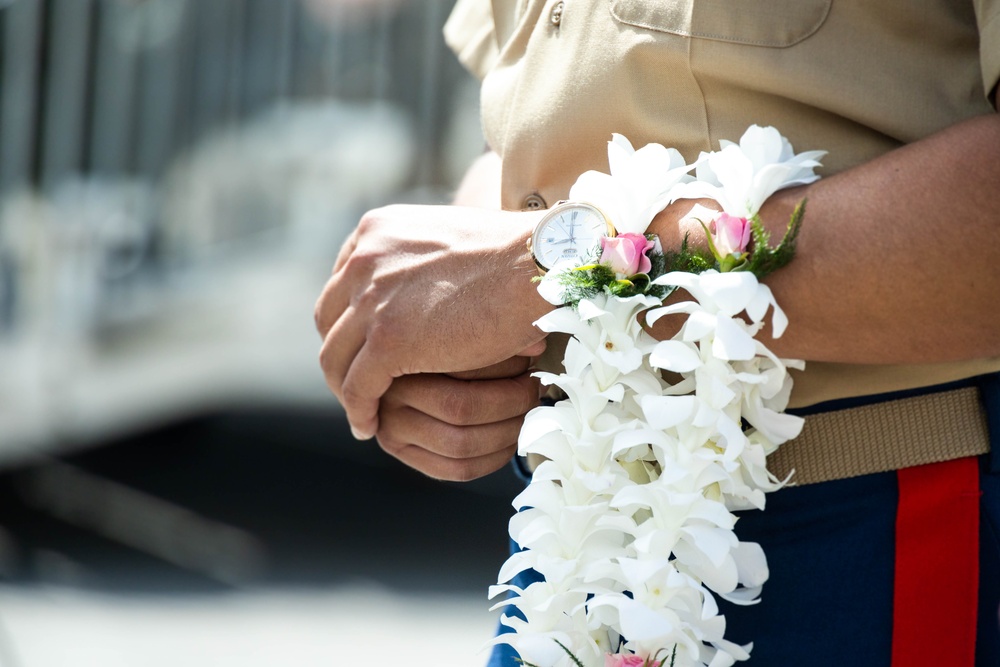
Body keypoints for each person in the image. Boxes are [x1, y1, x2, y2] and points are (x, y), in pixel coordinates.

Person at [314, 0, 1000, 664]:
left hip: (859, 527)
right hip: (568, 543)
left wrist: (548, 264)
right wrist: (454, 319)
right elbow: (533, 129)